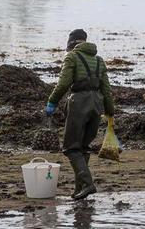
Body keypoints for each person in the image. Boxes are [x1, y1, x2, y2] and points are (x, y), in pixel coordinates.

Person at [44, 29, 115, 200]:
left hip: (79, 103)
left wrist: (52, 102)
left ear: (71, 44)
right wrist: (109, 112)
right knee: (83, 147)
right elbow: (106, 89)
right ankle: (79, 190)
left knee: (71, 148)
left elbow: (63, 84)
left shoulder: (72, 57)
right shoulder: (99, 60)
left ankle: (88, 184)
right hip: (97, 104)